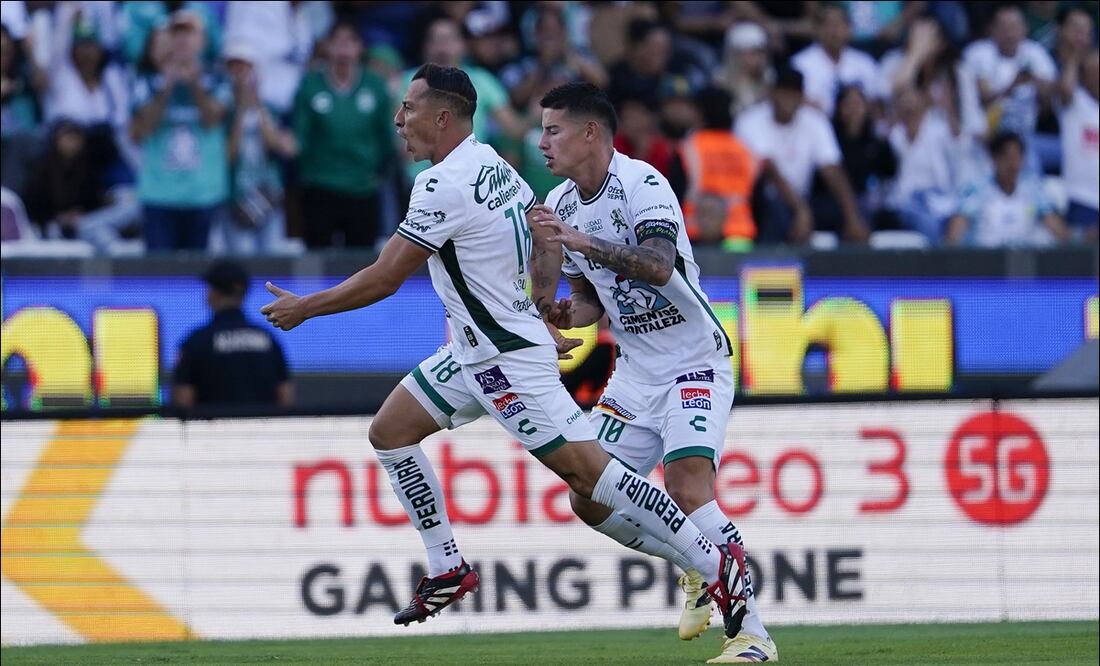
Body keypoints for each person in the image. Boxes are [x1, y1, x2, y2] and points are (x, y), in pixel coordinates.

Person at [260, 64, 746, 641]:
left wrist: (306, 308)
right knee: (390, 431)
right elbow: (540, 245)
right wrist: (545, 308)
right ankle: (447, 566)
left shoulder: (443, 185)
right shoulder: (496, 167)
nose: (398, 120)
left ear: (442, 118)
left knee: (594, 479)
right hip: (473, 350)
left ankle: (717, 566)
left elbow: (388, 277)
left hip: (504, 359)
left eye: (408, 109)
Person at [530, 81, 776, 664]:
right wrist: (570, 314)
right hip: (637, 372)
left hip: (694, 360)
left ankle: (752, 637)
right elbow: (594, 293)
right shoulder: (562, 203)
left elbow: (659, 267)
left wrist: (578, 240)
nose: (541, 142)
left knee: (690, 488)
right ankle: (694, 561)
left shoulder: (643, 184)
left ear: (590, 132)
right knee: (588, 496)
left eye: (552, 129)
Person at [129, 10, 230, 252]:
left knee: (198, 278)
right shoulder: (147, 80)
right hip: (159, 194)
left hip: (203, 194)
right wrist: (168, 83)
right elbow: (146, 126)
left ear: (203, 41)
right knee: (160, 278)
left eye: (190, 33)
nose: (183, 40)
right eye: (177, 33)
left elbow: (211, 119)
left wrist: (194, 81)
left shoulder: (217, 78)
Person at [735, 67, 869, 244]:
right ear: (772, 94)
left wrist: (852, 216)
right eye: (784, 94)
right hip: (761, 200)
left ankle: (841, 266)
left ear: (802, 97)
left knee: (853, 210)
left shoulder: (814, 120)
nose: (788, 101)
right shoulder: (750, 121)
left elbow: (832, 170)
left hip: (802, 198)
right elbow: (769, 170)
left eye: (794, 95)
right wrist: (801, 210)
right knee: (775, 212)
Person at [292, 21, 394, 249]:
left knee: (361, 265)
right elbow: (300, 138)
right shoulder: (310, 85)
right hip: (320, 187)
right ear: (327, 46)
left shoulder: (375, 86)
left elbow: (387, 137)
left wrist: (380, 171)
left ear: (360, 48)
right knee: (317, 261)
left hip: (363, 188)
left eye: (351, 41)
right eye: (337, 41)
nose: (344, 48)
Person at [173, 259, 292, 409]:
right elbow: (285, 396)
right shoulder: (268, 340)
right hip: (263, 429)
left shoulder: (196, 341)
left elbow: (184, 400)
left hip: (213, 430)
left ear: (213, 293)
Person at [219, 42, 297, 255]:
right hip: (236, 197)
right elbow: (229, 155)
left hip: (267, 194)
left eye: (245, 68)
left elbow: (276, 145)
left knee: (271, 260)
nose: (240, 75)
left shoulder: (270, 110)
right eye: (234, 68)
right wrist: (241, 111)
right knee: (241, 259)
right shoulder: (222, 112)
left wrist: (257, 102)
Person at [669, 87, 758, 249]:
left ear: (700, 113)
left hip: (695, 236)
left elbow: (675, 192)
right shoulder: (744, 149)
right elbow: (757, 198)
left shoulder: (691, 147)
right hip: (740, 238)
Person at [945, 131, 1069, 247]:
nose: (1012, 164)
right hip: (983, 263)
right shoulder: (976, 189)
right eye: (1007, 157)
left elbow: (1054, 225)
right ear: (994, 159)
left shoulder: (1033, 189)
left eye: (1017, 157)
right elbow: (956, 229)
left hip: (1022, 262)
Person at [790, 3, 886, 117]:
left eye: (838, 24)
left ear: (849, 28)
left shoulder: (864, 62)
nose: (834, 31)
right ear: (816, 29)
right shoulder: (799, 64)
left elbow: (877, 100)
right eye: (828, 25)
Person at [1058, 47, 1099, 242]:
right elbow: (1065, 89)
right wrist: (1074, 59)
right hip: (1082, 197)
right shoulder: (1075, 103)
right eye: (1095, 72)